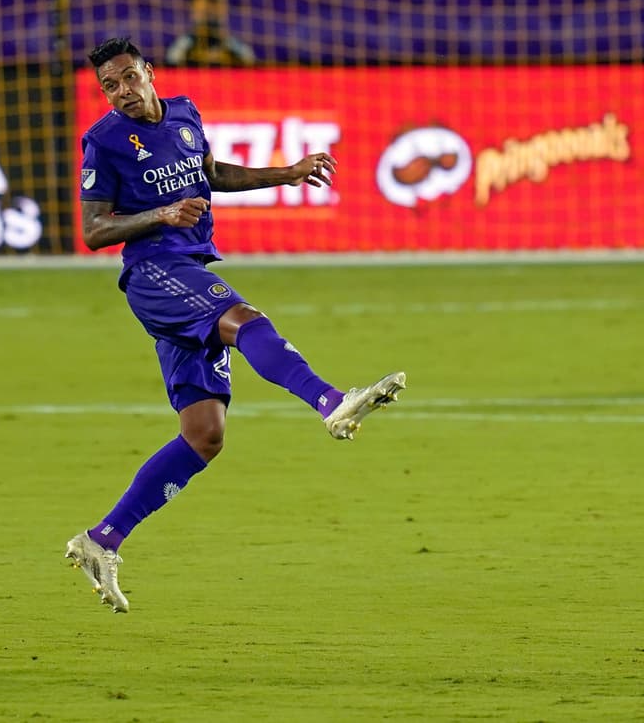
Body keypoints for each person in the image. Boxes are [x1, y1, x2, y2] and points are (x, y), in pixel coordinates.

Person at [65, 37, 405, 613]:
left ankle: (102, 540)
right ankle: (331, 403)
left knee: (205, 435)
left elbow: (212, 173)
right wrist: (162, 215)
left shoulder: (185, 115)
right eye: (109, 86)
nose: (120, 92)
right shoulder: (100, 142)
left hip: (187, 268)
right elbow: (94, 230)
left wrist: (289, 173)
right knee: (245, 320)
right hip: (154, 273)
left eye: (127, 78)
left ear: (149, 73)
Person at [164, 0, 257, 68]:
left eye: (214, 7)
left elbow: (251, 64)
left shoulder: (236, 48)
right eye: (205, 12)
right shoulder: (182, 46)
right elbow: (171, 64)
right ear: (193, 10)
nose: (210, 12)